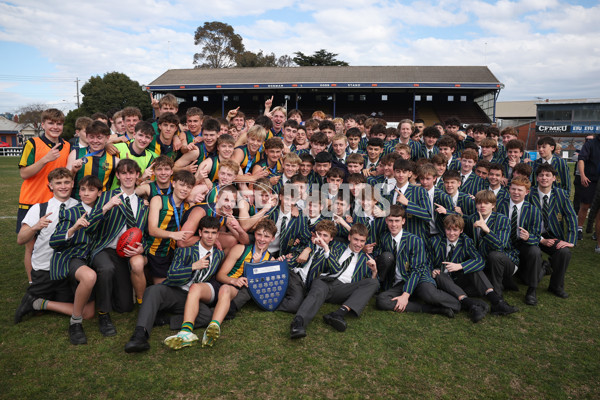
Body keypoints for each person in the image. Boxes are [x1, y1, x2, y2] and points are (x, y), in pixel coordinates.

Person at [124, 216, 224, 352]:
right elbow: (172, 275)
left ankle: (164, 320)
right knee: (153, 290)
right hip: (176, 291)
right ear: (200, 233)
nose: (210, 236)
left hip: (193, 297)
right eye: (206, 232)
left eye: (213, 233)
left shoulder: (219, 255)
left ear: (218, 234)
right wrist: (193, 266)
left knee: (206, 316)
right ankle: (139, 336)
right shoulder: (185, 251)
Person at [14, 168, 90, 342]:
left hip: (66, 270)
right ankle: (33, 299)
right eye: (58, 183)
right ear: (50, 186)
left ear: (72, 184)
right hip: (45, 270)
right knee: (39, 309)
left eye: (66, 182)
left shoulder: (80, 207)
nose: (63, 186)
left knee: (85, 310)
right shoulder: (39, 209)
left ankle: (40, 303)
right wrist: (35, 227)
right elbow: (20, 239)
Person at [43, 175, 105, 344]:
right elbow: (54, 241)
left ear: (99, 193)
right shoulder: (70, 212)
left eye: (91, 190)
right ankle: (75, 324)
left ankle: (41, 304)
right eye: (83, 189)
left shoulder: (102, 211)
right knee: (90, 276)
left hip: (87, 260)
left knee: (89, 313)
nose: (86, 193)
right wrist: (73, 228)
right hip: (70, 258)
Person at [90, 159, 148, 336]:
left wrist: (141, 248)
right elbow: (90, 226)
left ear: (138, 175)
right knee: (106, 269)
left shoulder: (143, 204)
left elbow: (146, 233)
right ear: (118, 175)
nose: (128, 176)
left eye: (131, 173)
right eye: (124, 173)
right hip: (105, 248)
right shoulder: (107, 196)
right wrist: (106, 208)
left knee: (124, 307)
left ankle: (105, 292)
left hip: (125, 252)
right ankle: (103, 313)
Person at [290, 223, 379, 338]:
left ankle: (338, 314)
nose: (358, 244)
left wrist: (374, 272)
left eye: (362, 241)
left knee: (374, 282)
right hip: (327, 281)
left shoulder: (365, 259)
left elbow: (372, 288)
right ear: (349, 237)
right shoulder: (336, 246)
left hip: (344, 289)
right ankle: (298, 323)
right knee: (318, 287)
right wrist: (307, 248)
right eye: (356, 239)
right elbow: (314, 236)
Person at [202, 220, 277, 347]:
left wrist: (255, 265)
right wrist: (233, 280)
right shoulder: (240, 249)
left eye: (266, 236)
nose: (262, 239)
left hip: (233, 292)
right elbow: (220, 275)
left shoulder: (271, 261)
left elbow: (260, 289)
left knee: (225, 291)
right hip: (223, 284)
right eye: (259, 235)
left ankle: (213, 326)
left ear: (273, 239)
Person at [375, 205, 460, 317]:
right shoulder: (384, 238)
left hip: (418, 278)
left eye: (397, 221)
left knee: (430, 294)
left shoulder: (415, 240)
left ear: (403, 221)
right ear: (386, 220)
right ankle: (431, 309)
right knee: (381, 300)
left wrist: (405, 295)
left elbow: (417, 270)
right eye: (390, 220)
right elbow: (379, 257)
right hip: (400, 282)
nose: (393, 224)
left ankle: (463, 304)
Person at [430, 214, 518, 322]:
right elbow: (426, 261)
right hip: (442, 282)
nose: (451, 233)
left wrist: (460, 266)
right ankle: (471, 305)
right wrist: (432, 270)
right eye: (448, 230)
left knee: (474, 268)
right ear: (444, 229)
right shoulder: (435, 241)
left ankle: (496, 301)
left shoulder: (466, 241)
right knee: (440, 275)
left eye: (455, 230)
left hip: (459, 280)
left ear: (461, 231)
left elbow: (479, 261)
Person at [18, 108, 71, 283]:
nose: (55, 127)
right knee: (31, 247)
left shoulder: (67, 145)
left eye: (59, 123)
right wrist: (44, 159)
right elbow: (24, 173)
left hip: (54, 203)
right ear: (43, 124)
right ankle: (33, 284)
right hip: (31, 201)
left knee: (53, 244)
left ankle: (52, 281)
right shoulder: (32, 143)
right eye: (51, 123)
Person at [528, 164, 577, 298]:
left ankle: (556, 286)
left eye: (548, 175)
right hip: (533, 234)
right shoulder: (529, 193)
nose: (544, 178)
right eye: (541, 175)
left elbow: (571, 216)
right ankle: (533, 283)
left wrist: (571, 241)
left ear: (554, 178)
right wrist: (538, 239)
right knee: (534, 252)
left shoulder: (561, 194)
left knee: (564, 252)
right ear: (536, 178)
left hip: (553, 235)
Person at [496, 176, 543, 306]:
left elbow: (537, 235)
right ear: (509, 189)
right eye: (513, 189)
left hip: (523, 245)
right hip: (506, 244)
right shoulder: (500, 205)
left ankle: (532, 290)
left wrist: (529, 237)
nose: (516, 192)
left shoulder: (533, 210)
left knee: (535, 251)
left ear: (527, 192)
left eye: (520, 190)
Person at [67, 120, 118, 199]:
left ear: (107, 138)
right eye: (91, 137)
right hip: (77, 203)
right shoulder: (75, 154)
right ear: (87, 137)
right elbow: (65, 181)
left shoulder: (114, 160)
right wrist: (73, 171)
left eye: (99, 137)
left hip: (101, 205)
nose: (95, 141)